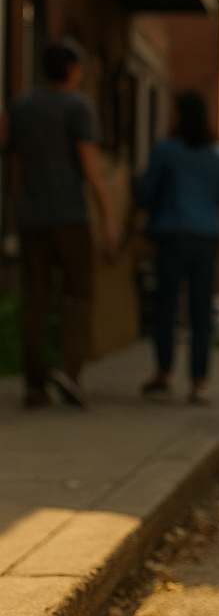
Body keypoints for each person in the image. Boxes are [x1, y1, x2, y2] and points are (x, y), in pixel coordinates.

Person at [2, 40, 118, 409]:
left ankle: (35, 383)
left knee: (34, 297)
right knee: (77, 294)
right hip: (69, 215)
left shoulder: (22, 106)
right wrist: (108, 215)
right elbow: (90, 166)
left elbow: (11, 156)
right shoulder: (77, 107)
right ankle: (70, 370)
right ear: (71, 70)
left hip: (31, 215)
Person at [136, 92, 219, 405]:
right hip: (206, 239)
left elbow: (146, 194)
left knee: (166, 308)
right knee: (200, 312)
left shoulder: (166, 151)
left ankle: (163, 373)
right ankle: (199, 382)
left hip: (171, 236)